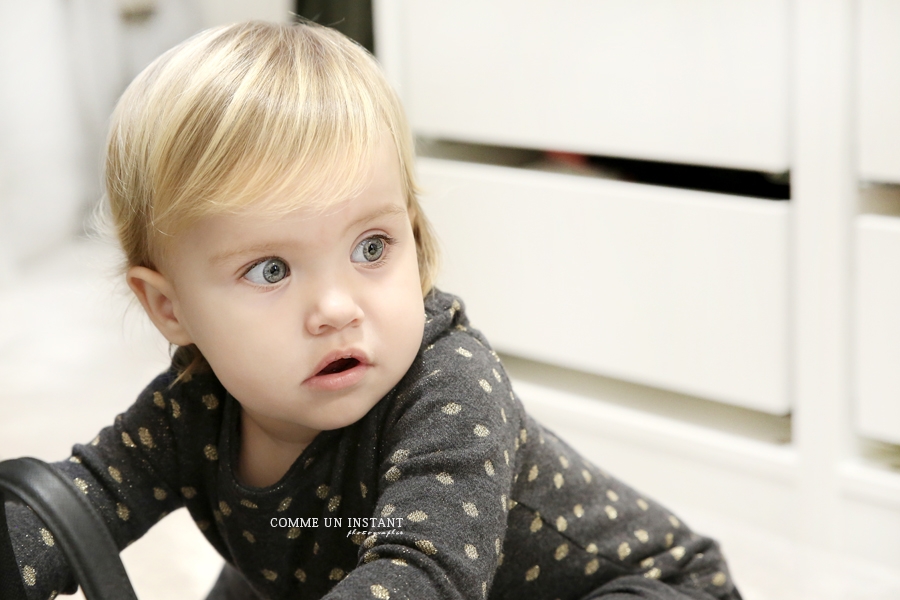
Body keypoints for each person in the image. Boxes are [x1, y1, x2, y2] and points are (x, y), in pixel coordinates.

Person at [4, 20, 742, 600]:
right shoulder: (189, 410)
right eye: (270, 269)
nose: (335, 307)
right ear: (171, 308)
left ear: (416, 241)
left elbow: (426, 577)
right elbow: (81, 499)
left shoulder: (448, 386)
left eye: (371, 248)